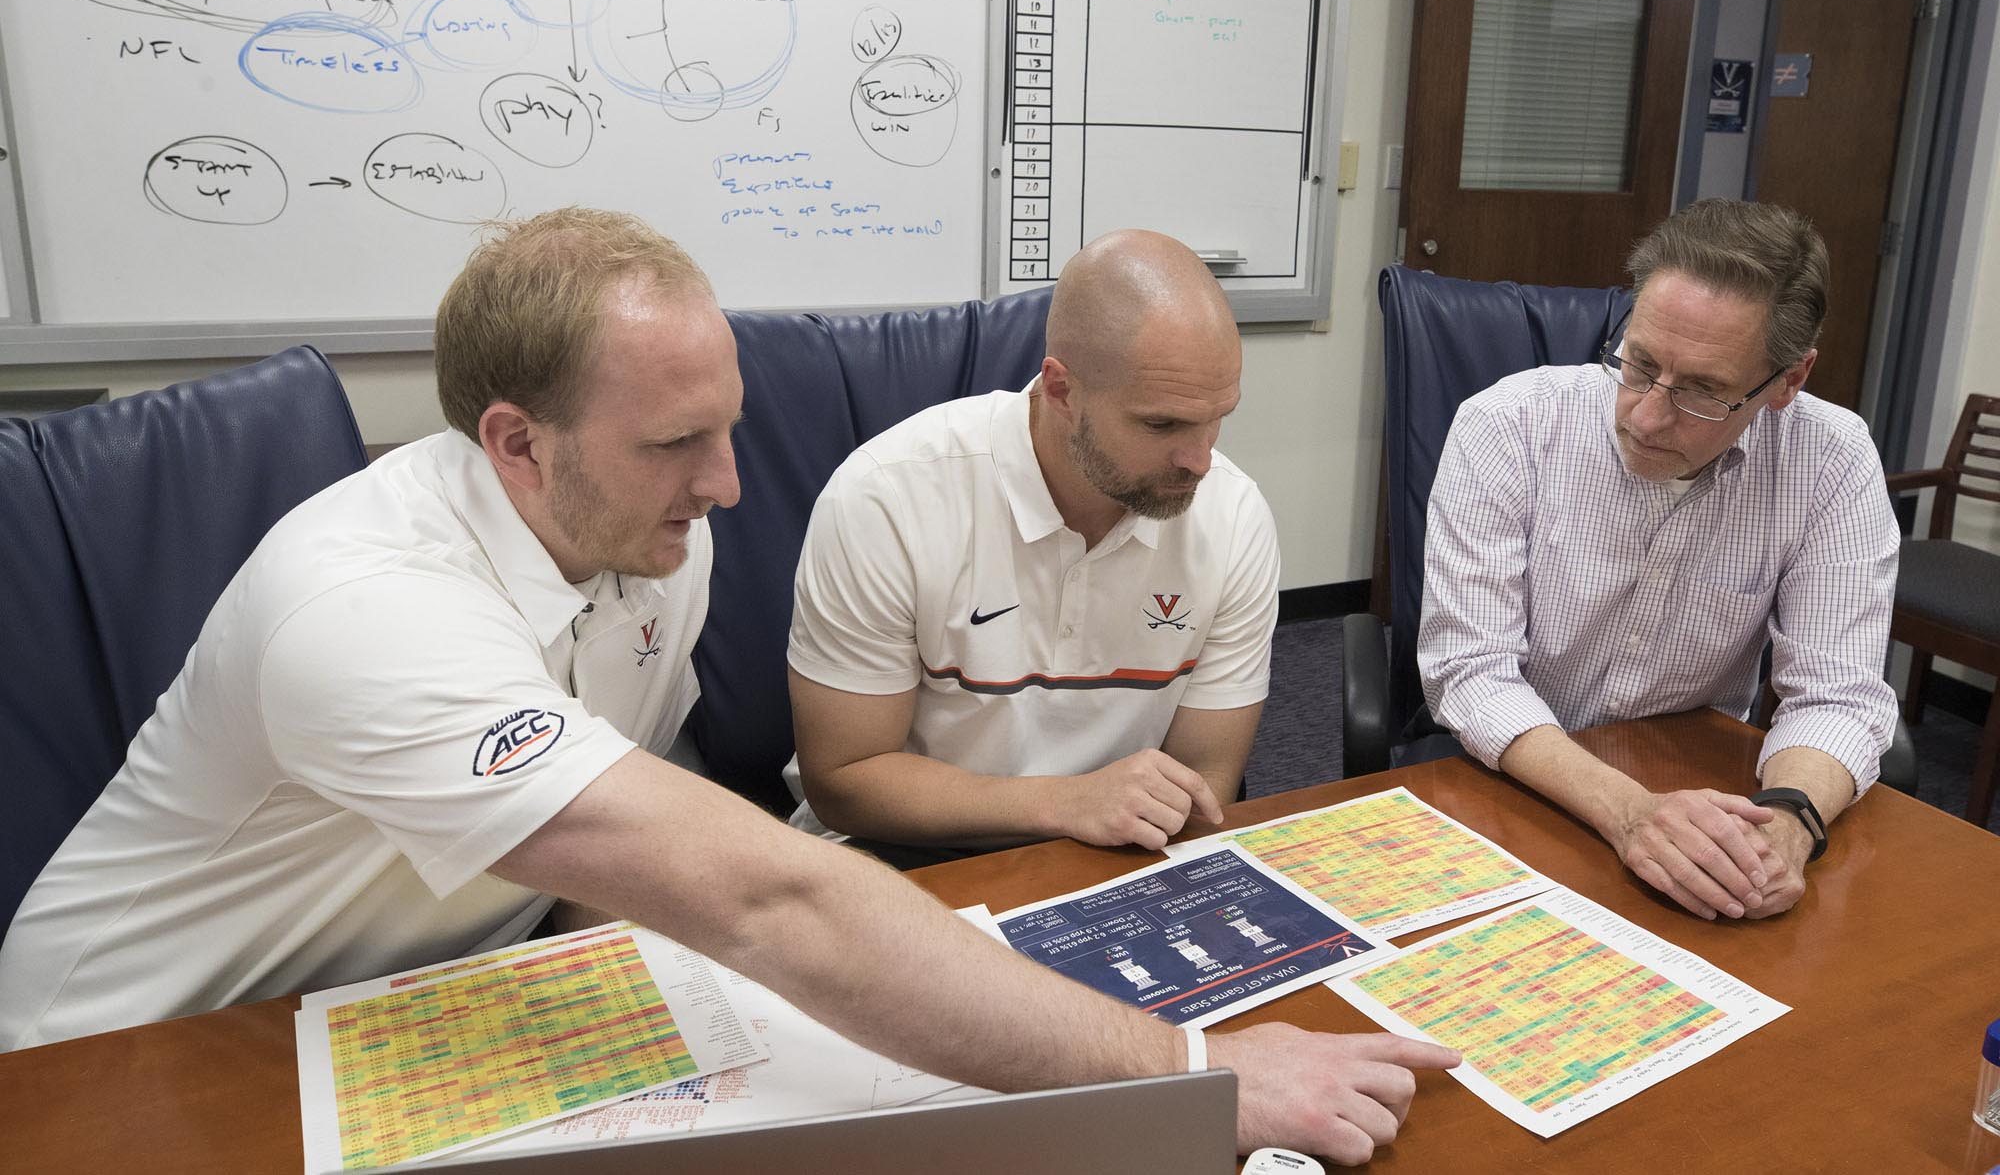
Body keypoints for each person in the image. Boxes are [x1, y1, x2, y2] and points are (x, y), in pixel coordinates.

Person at [0, 209, 1454, 1164]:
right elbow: (768, 892)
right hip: (122, 1065)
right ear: (515, 441)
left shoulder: (654, 534)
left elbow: (609, 866)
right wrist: (1196, 1070)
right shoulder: (362, 612)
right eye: (675, 444)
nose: (730, 483)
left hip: (407, 1008)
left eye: (731, 429)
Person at [1418, 198, 1899, 924]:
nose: (1644, 416)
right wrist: (1629, 813)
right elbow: (1472, 670)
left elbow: (1838, 696)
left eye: (1703, 392)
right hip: (1516, 779)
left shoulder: (1830, 459)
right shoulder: (1509, 424)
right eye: (1639, 364)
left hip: (1701, 788)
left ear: (1789, 382)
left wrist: (1790, 827)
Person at [783, 229, 1280, 858]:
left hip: (1110, 852)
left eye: (1218, 417)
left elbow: (1204, 782)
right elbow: (846, 782)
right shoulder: (886, 498)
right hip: (899, 853)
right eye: (1161, 424)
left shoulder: (1232, 516)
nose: (1200, 460)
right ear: (1061, 391)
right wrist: (1067, 803)